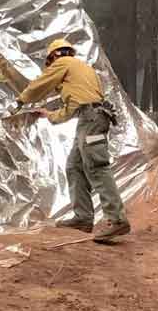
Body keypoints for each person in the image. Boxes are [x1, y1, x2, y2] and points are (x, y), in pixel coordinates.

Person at [17, 38, 130, 241]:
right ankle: (83, 218)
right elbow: (72, 109)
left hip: (91, 119)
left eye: (50, 62)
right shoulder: (82, 68)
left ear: (54, 56)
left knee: (97, 166)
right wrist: (48, 115)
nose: (51, 67)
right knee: (74, 167)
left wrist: (20, 100)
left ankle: (118, 220)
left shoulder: (64, 63)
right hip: (90, 119)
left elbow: (40, 84)